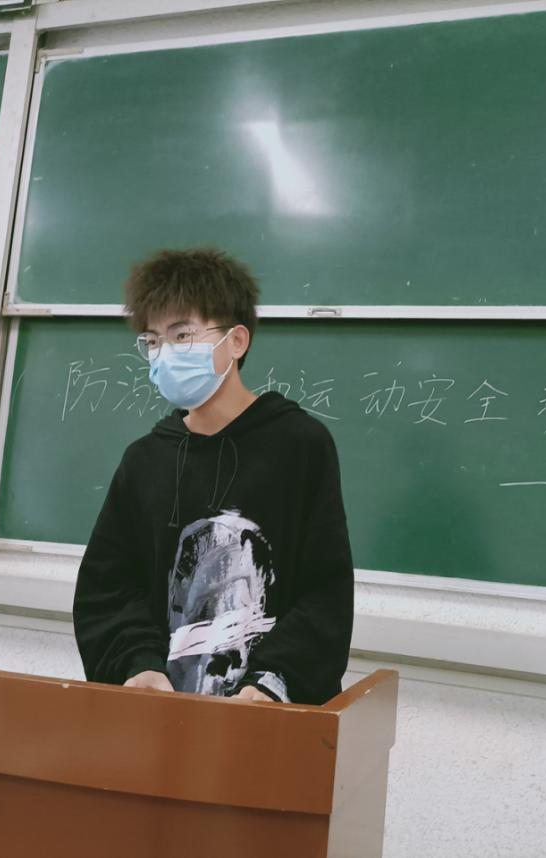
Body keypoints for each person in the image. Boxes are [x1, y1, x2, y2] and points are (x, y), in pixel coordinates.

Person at [72, 247, 354, 705]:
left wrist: (273, 681)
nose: (165, 354)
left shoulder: (300, 445)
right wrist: (139, 665)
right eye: (152, 341)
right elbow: (108, 589)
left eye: (182, 335)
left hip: (269, 718)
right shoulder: (145, 460)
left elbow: (325, 592)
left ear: (236, 341)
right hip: (161, 717)